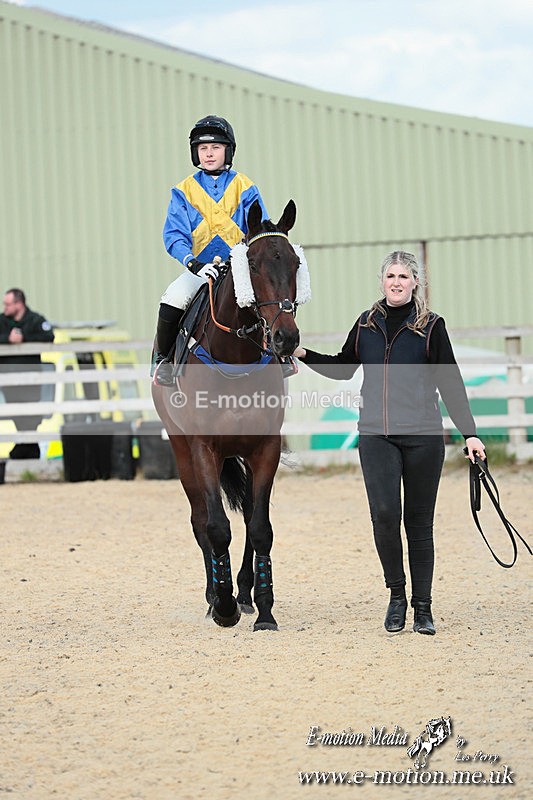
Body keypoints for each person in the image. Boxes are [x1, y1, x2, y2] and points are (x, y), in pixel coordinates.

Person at [294, 251, 485, 636]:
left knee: (418, 523)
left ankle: (423, 608)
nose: (396, 282)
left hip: (423, 436)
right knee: (384, 515)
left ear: (416, 283)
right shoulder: (366, 324)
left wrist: (470, 433)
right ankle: (397, 596)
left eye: (404, 276)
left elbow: (451, 382)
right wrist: (303, 354)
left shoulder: (432, 327)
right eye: (390, 276)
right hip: (376, 435)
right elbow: (345, 367)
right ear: (381, 281)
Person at [153, 115, 268, 385]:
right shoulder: (183, 191)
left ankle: (281, 356)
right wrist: (193, 263)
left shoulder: (246, 187)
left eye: (215, 147)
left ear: (228, 151)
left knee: (269, 297)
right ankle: (165, 361)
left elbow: (259, 228)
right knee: (173, 298)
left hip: (239, 269)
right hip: (200, 268)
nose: (209, 154)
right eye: (203, 149)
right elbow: (174, 235)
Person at [0, 288, 55, 458]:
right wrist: (7, 340)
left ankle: (27, 448)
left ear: (19, 303)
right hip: (8, 378)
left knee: (30, 416)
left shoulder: (35, 320)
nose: (5, 307)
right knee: (17, 414)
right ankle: (26, 448)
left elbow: (49, 336)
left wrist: (24, 338)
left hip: (30, 378)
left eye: (8, 304)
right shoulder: (2, 321)